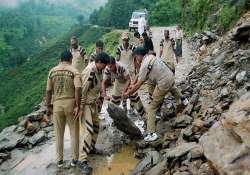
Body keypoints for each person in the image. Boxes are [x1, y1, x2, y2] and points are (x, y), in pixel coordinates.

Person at [124, 47, 188, 142]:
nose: (136, 59)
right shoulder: (151, 56)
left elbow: (139, 85)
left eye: (136, 57)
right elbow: (140, 76)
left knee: (151, 108)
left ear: (139, 56)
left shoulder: (144, 65)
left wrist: (128, 93)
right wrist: (133, 83)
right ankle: (184, 100)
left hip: (163, 83)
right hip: (170, 76)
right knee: (172, 87)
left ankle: (151, 133)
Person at [45, 50, 81, 168]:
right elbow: (78, 88)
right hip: (70, 103)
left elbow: (49, 91)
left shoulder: (52, 71)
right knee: (74, 133)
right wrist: (78, 105)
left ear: (60, 60)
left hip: (57, 105)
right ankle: (74, 160)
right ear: (71, 59)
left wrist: (47, 106)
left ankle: (60, 161)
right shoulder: (74, 71)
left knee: (59, 134)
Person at [77, 52, 110, 173]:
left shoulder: (99, 70)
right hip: (85, 104)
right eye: (104, 65)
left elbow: (101, 83)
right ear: (99, 62)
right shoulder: (90, 71)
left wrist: (102, 95)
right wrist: (80, 108)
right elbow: (82, 91)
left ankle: (91, 148)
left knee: (97, 126)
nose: (105, 67)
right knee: (88, 130)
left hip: (93, 103)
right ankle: (82, 160)